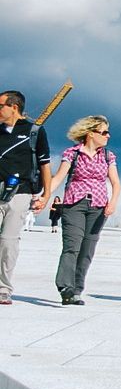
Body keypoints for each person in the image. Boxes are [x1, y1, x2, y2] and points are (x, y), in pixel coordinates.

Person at [48, 115, 121, 305]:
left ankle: (77, 289)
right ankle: (65, 287)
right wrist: (45, 195)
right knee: (72, 246)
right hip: (74, 204)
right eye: (104, 132)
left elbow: (116, 182)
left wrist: (113, 202)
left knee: (87, 249)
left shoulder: (108, 156)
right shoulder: (72, 153)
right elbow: (58, 177)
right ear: (91, 133)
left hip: (98, 206)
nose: (108, 136)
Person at [0, 90, 53, 307]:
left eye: (0, 105)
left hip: (20, 192)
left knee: (8, 241)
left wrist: (46, 194)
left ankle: (3, 288)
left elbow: (45, 164)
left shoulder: (34, 132)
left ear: (14, 107)